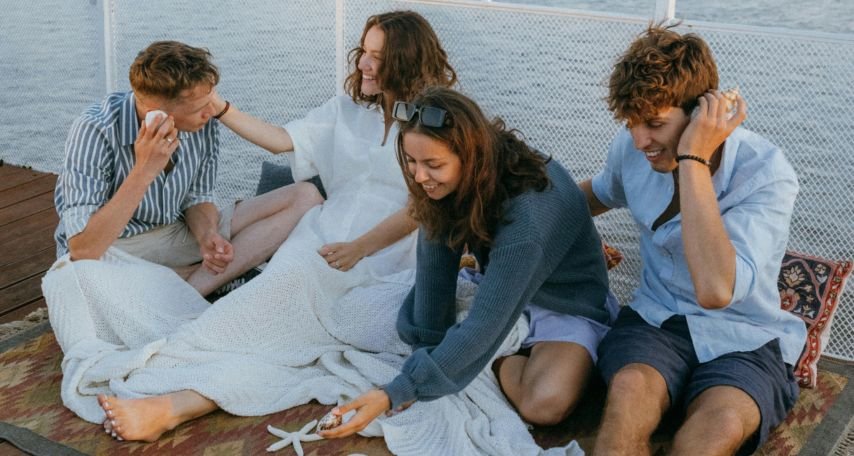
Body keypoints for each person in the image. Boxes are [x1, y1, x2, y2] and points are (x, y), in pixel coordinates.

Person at [88, 11, 458, 442]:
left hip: (383, 254)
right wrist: (221, 108)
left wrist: (359, 248)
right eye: (364, 52)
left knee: (290, 304)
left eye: (377, 57)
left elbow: (424, 207)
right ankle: (178, 360)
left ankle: (175, 399)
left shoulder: (434, 123)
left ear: (406, 61)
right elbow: (283, 140)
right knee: (274, 293)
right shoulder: (348, 110)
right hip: (321, 233)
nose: (363, 64)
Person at [318, 86, 616, 438]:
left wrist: (395, 392)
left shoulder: (526, 217)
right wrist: (426, 352)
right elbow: (434, 277)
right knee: (353, 319)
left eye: (433, 165)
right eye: (411, 161)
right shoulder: (446, 185)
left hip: (564, 305)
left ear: (470, 156)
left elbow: (486, 324)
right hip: (494, 283)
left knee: (544, 404)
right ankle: (471, 358)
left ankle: (491, 360)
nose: (419, 177)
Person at [578, 25, 806, 455]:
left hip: (745, 335)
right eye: (630, 123)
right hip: (654, 321)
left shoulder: (765, 173)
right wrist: (507, 217)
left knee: (716, 430)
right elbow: (594, 196)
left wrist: (693, 159)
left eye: (654, 123)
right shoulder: (633, 149)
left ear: (701, 114)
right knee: (626, 396)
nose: (639, 141)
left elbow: (716, 291)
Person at [54, 40, 323, 297]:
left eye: (210, 102)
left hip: (172, 233)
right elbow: (84, 249)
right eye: (200, 108)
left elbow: (198, 197)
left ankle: (190, 288)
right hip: (115, 247)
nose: (211, 112)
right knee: (82, 278)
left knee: (306, 196)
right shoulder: (95, 129)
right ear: (156, 112)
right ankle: (204, 279)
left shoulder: (204, 122)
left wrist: (207, 236)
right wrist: (144, 170)